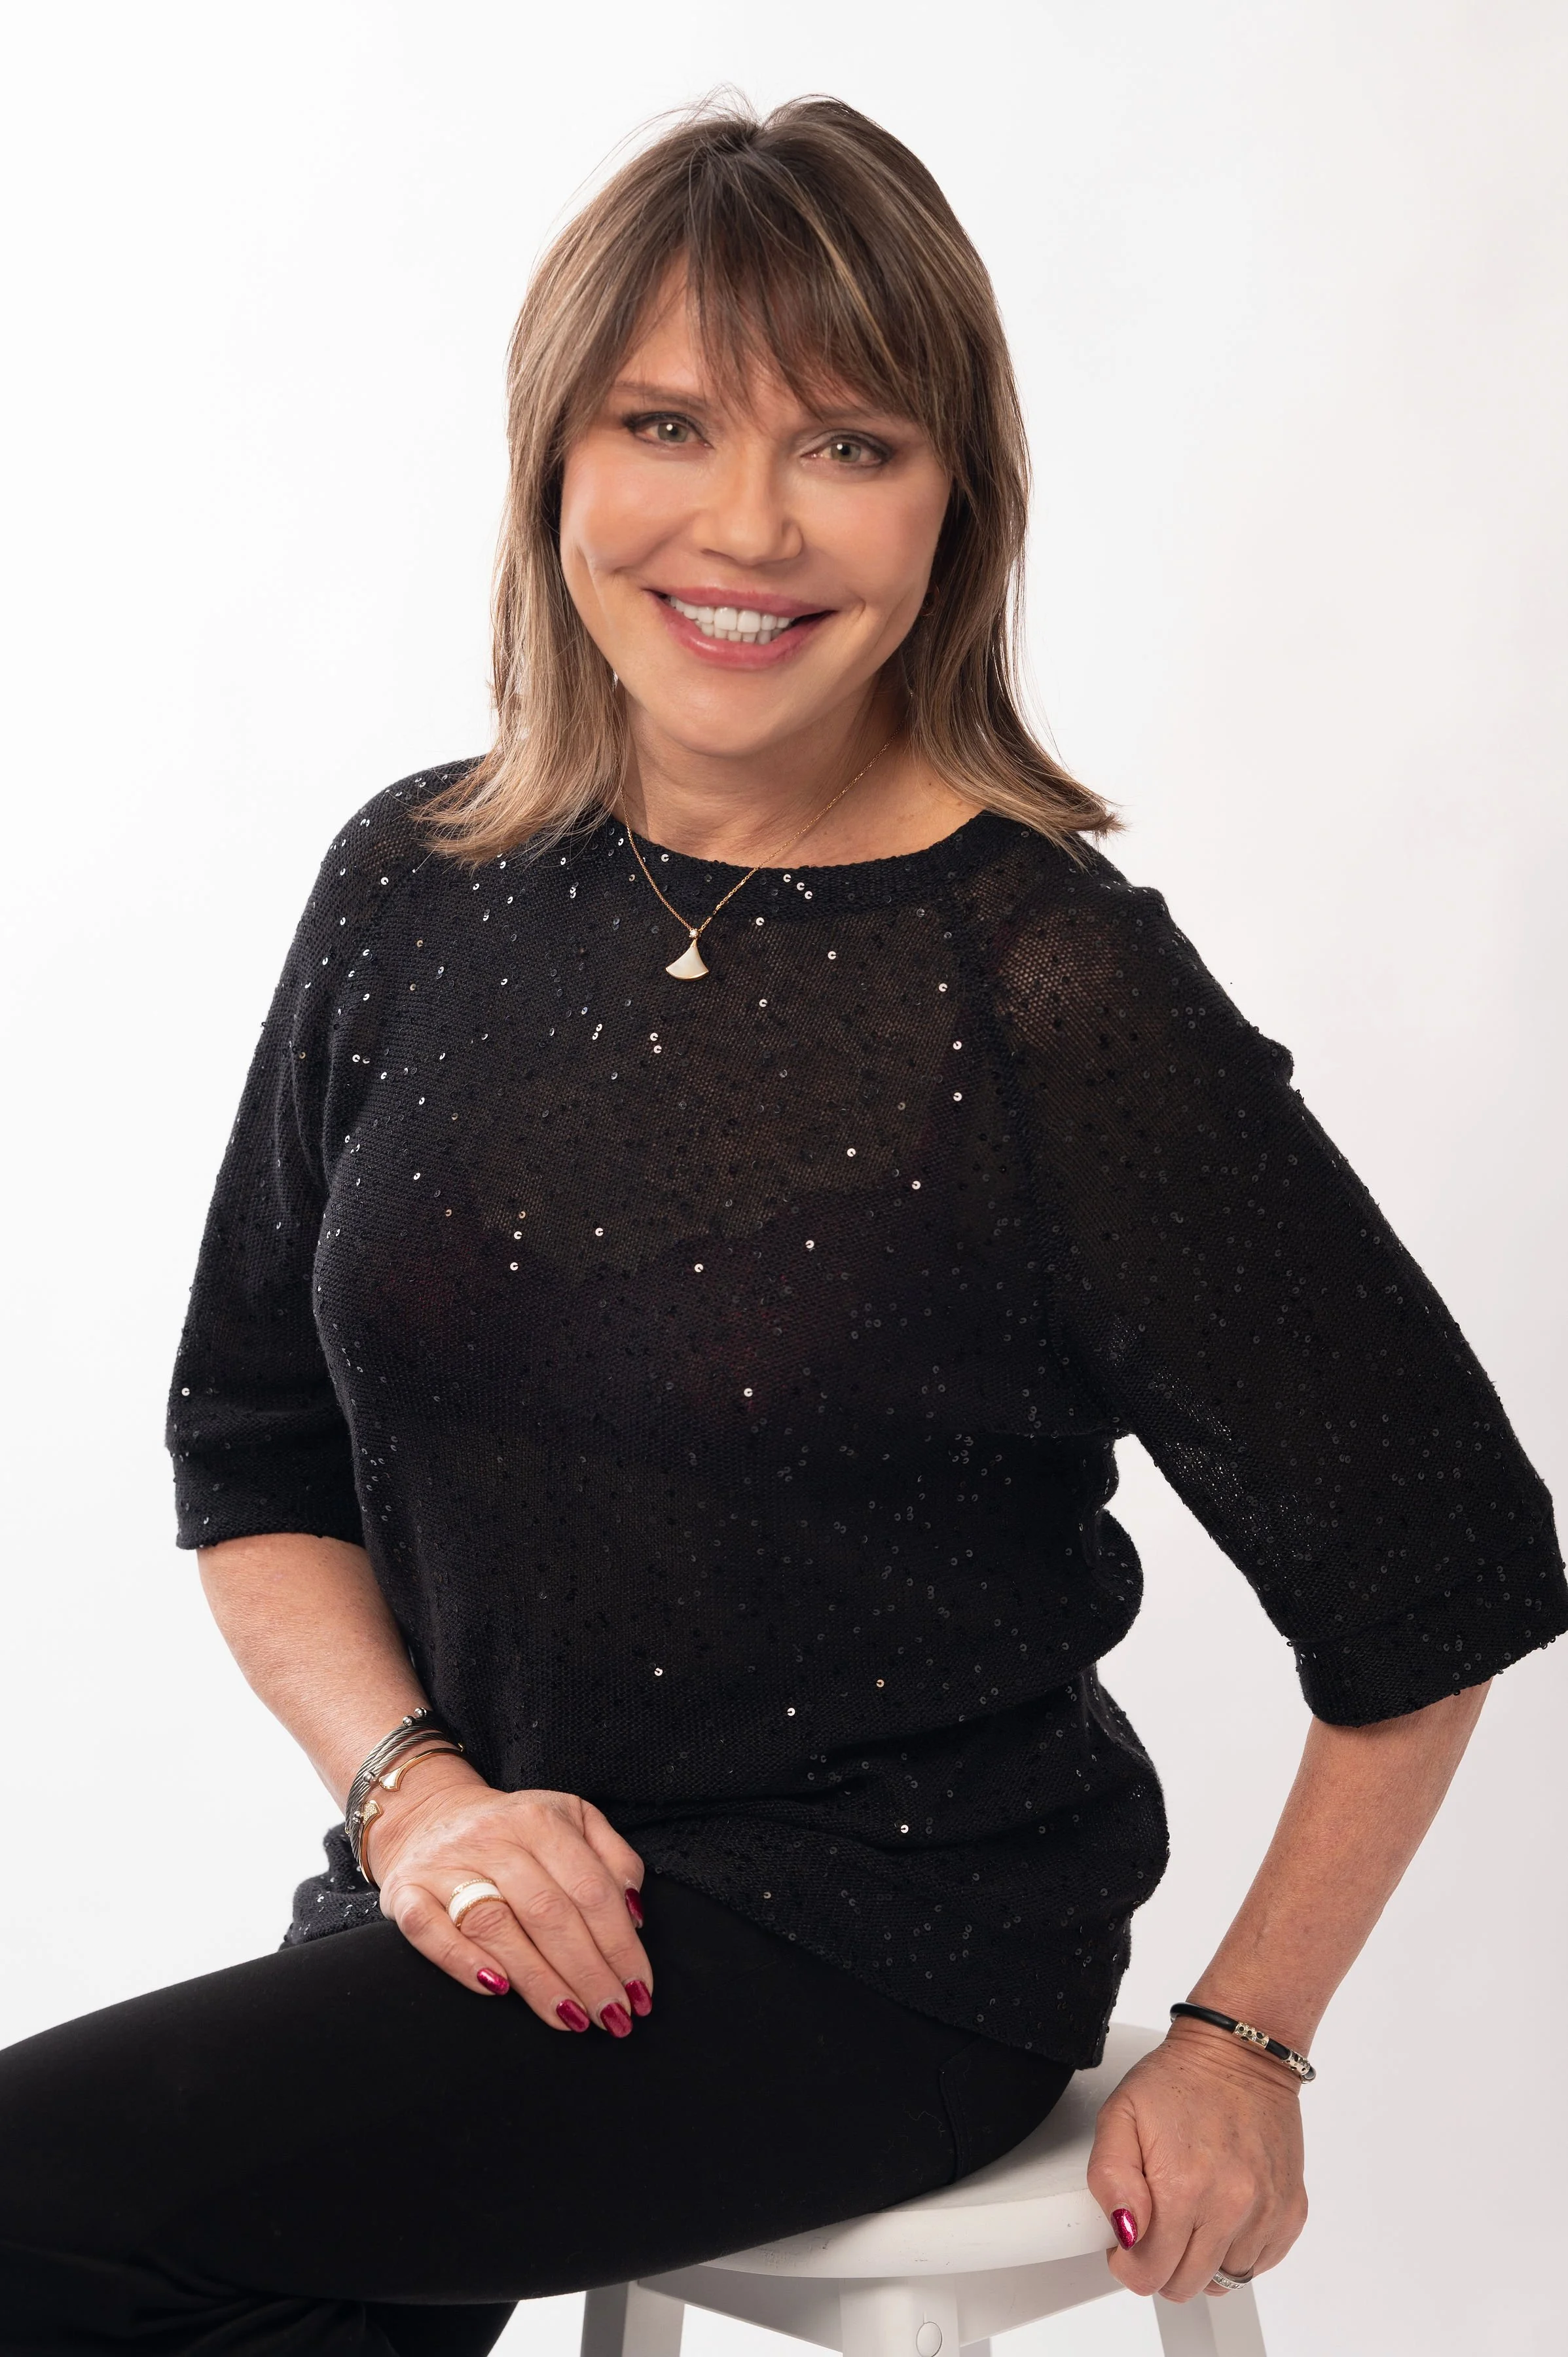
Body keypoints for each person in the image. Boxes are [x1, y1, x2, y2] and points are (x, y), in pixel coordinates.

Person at [1, 94, 1561, 2357]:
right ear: (555, 464)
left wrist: (1253, 2035)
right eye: (666, 424)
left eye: (849, 443)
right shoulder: (412, 892)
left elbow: (1437, 1567)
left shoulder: (1047, 987)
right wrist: (415, 1795)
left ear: (958, 508)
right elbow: (250, 1454)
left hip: (881, 1945)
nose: (746, 524)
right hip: (468, 1898)